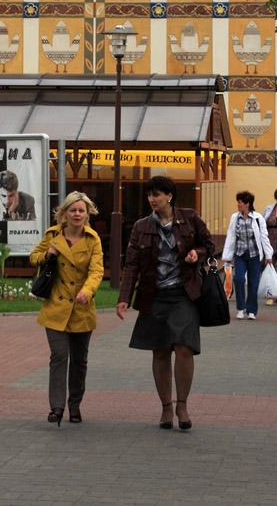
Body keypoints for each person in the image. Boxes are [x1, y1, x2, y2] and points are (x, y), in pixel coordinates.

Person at [116, 176, 214, 432]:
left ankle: (182, 405)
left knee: (184, 348)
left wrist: (198, 253)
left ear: (169, 196)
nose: (152, 199)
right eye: (149, 195)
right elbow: (133, 263)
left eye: (157, 194)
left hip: (184, 293)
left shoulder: (190, 217)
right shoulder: (141, 226)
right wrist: (124, 297)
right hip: (154, 295)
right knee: (159, 351)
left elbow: (208, 244)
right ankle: (165, 408)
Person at [29, 191, 103, 426]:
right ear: (64, 213)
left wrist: (87, 291)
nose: (77, 214)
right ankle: (57, 407)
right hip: (56, 308)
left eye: (81, 210)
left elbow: (96, 271)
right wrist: (47, 254)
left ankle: (75, 406)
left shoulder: (93, 240)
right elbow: (34, 257)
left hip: (82, 309)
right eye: (73, 210)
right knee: (59, 357)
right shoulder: (53, 235)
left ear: (87, 213)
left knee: (79, 361)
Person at [222, 190, 273, 319]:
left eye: (240, 203)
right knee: (238, 279)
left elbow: (264, 237)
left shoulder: (257, 218)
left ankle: (251, 311)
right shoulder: (235, 218)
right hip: (240, 255)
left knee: (253, 283)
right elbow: (231, 236)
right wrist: (227, 257)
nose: (238, 205)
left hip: (255, 255)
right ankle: (240, 307)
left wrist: (268, 255)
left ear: (247, 204)